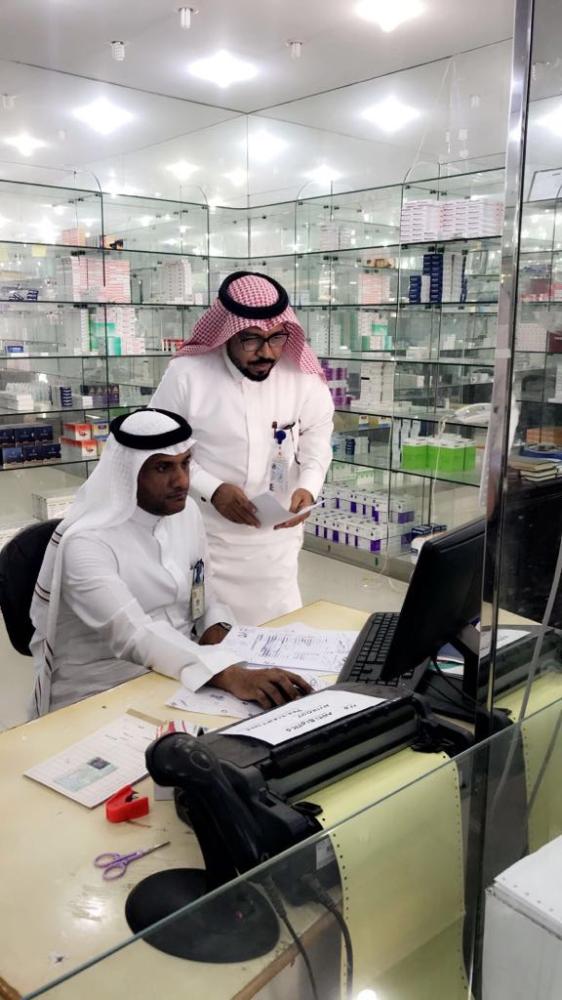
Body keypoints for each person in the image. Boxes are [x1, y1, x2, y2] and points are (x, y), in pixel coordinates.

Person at [29, 408, 311, 717]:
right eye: (163, 467)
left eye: (185, 463)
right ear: (128, 472)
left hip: (182, 673)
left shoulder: (186, 513)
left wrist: (217, 628)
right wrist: (227, 673)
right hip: (102, 689)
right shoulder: (87, 543)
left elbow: (205, 594)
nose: (181, 480)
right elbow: (133, 635)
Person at [151, 271, 334, 625]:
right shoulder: (187, 375)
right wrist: (212, 489)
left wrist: (309, 485)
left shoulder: (300, 375)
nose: (267, 352)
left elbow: (318, 430)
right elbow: (163, 445)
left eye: (276, 338)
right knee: (210, 633)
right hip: (209, 535)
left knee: (279, 630)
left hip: (276, 542)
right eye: (251, 339)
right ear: (227, 333)